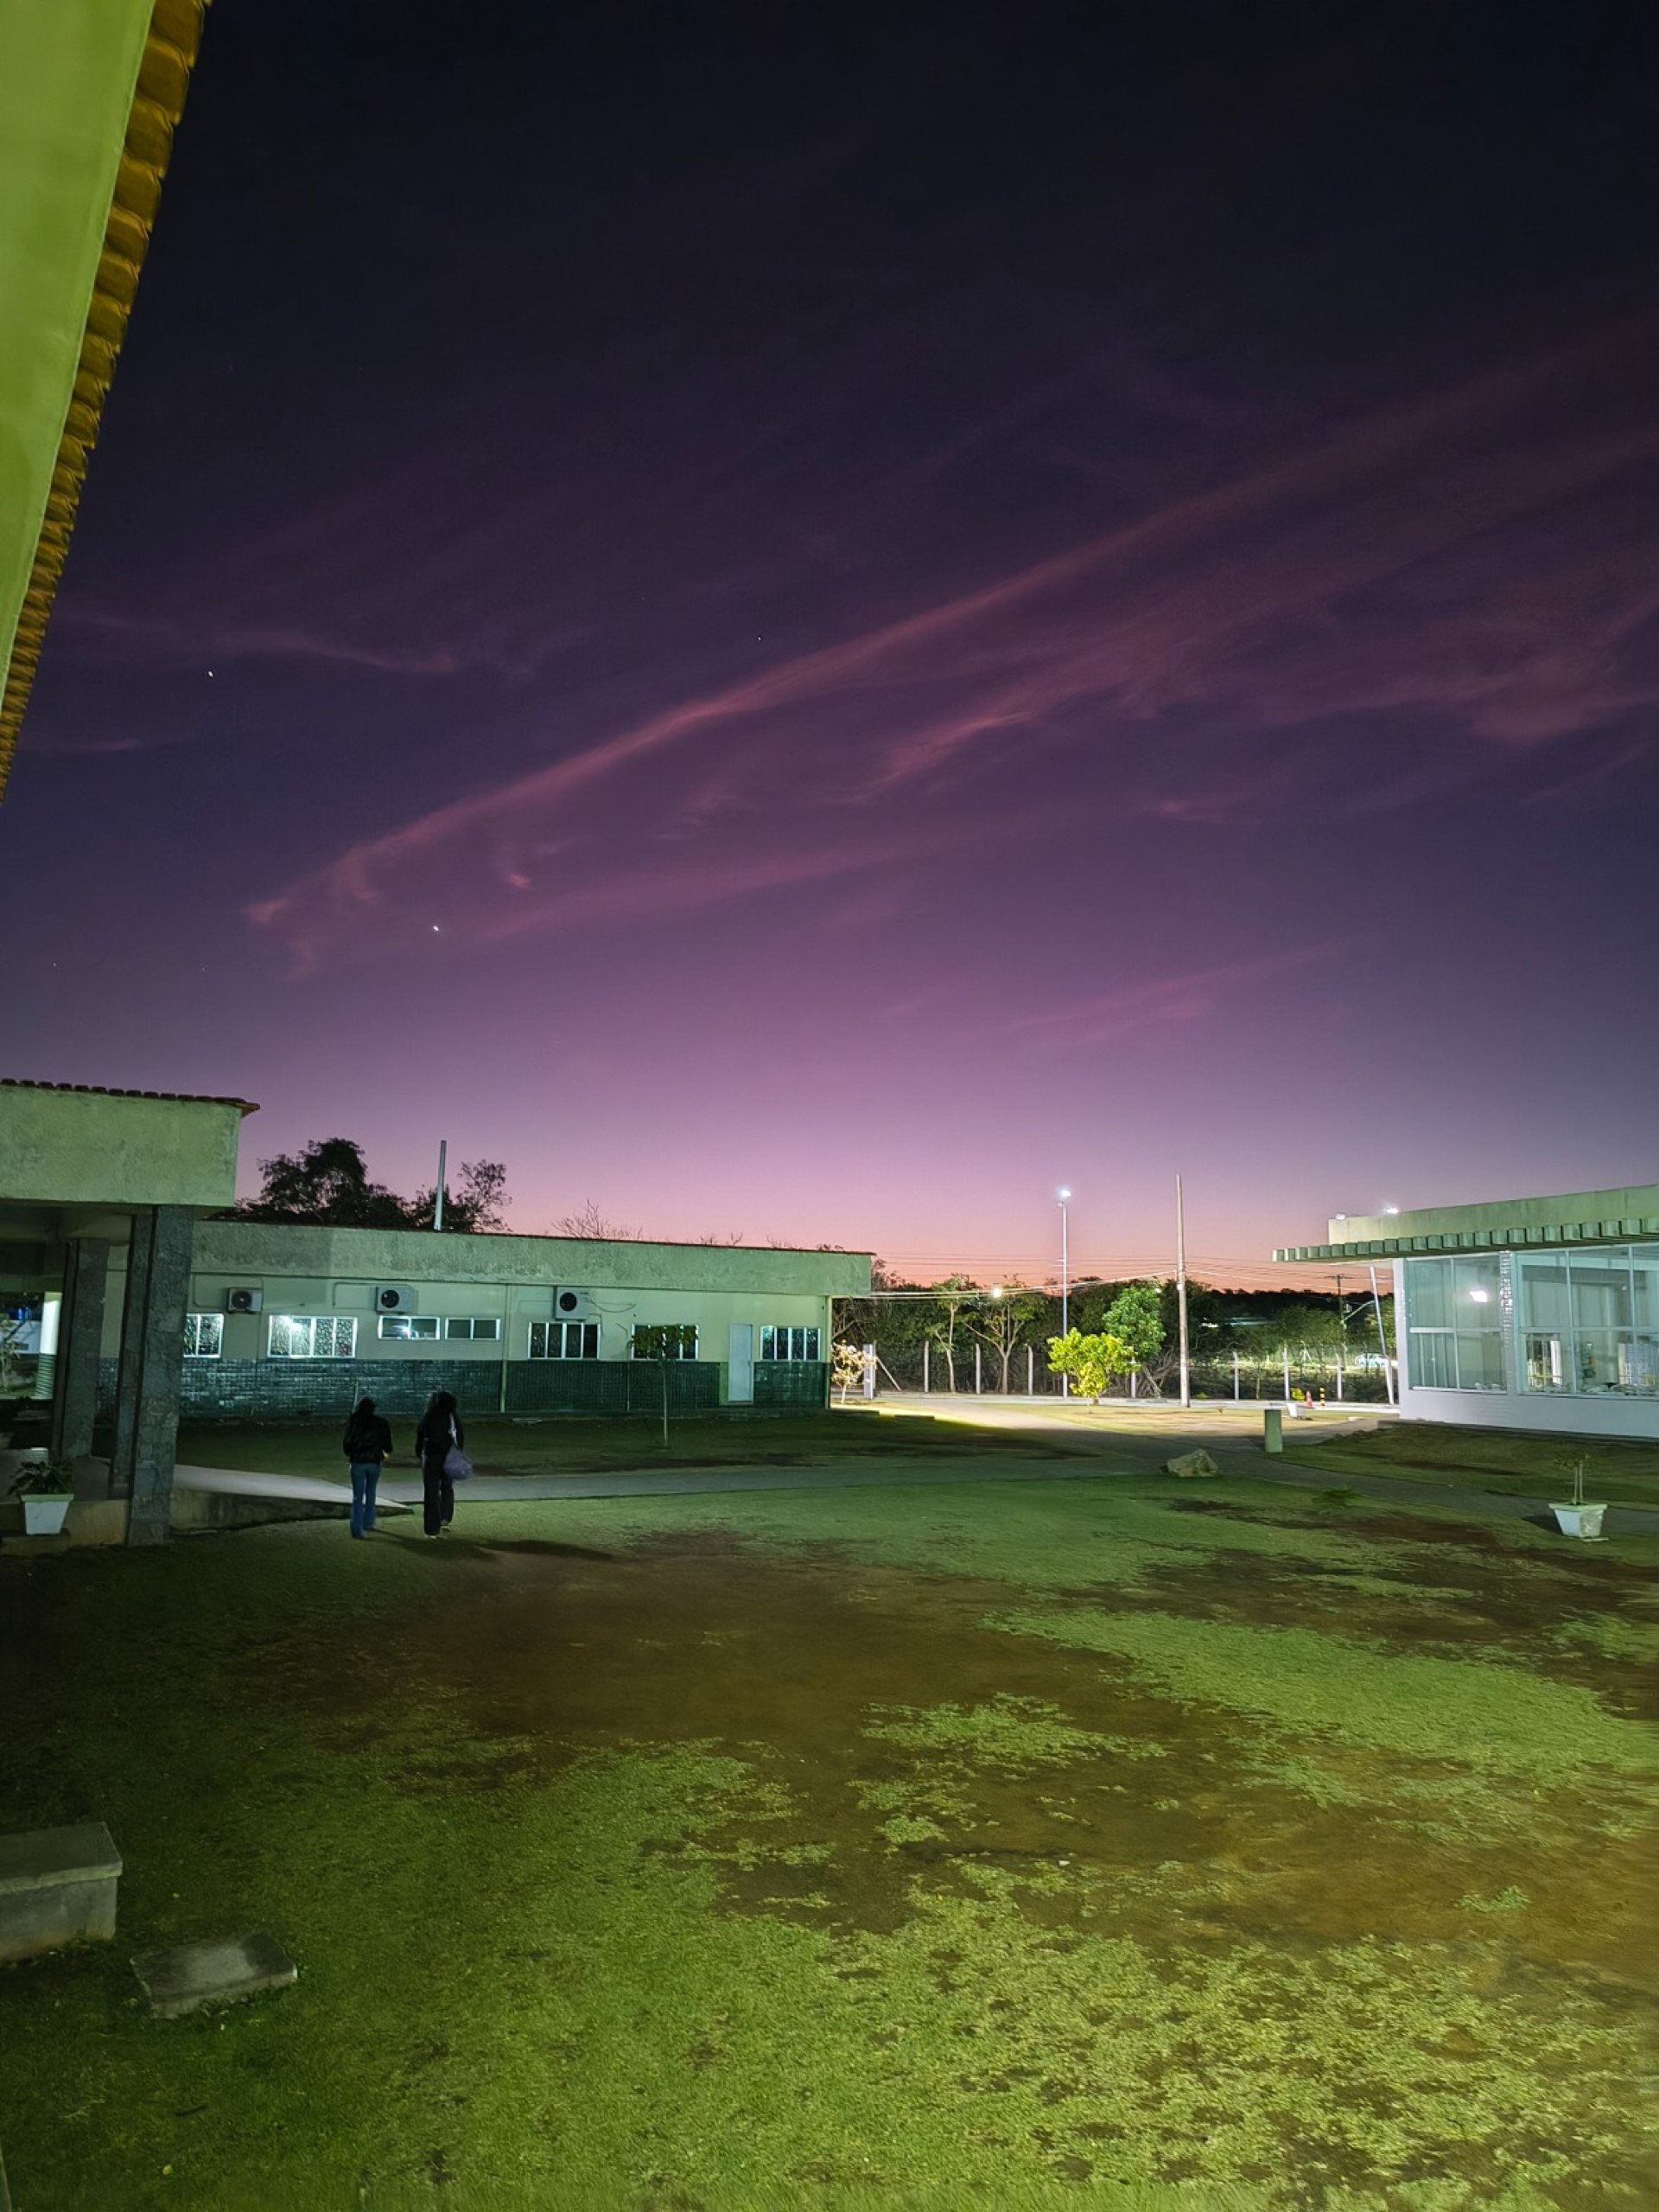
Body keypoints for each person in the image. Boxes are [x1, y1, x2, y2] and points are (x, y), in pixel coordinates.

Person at [415, 1389, 464, 1539]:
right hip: (449, 1455)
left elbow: (421, 1434)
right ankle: (445, 1517)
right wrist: (457, 1452)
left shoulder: (429, 1415)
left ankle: (431, 1528)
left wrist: (419, 1452)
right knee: (447, 1487)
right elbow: (460, 1435)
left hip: (432, 1457)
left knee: (431, 1491)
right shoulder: (452, 1416)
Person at [342, 1395, 393, 1538]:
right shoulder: (381, 1423)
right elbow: (388, 1446)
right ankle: (368, 1522)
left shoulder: (354, 1422)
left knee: (358, 1496)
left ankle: (357, 1528)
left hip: (358, 1462)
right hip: (374, 1462)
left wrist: (351, 1453)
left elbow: (347, 1442)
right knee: (371, 1492)